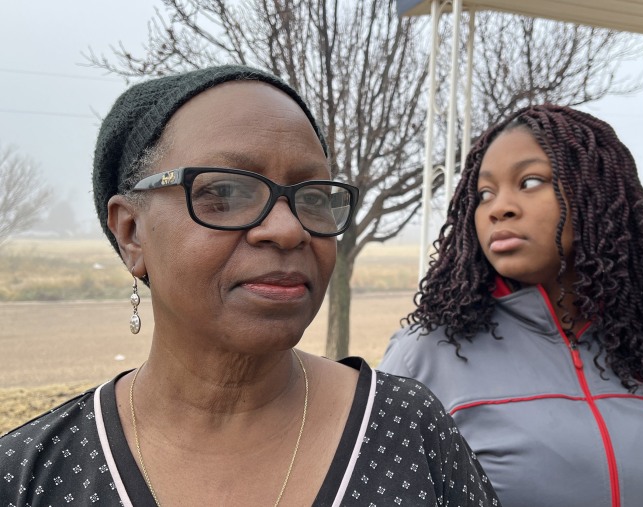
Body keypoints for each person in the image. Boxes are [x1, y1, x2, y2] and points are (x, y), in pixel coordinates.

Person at [0, 65, 500, 507]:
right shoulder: (31, 473)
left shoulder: (407, 429)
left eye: (313, 195)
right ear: (132, 233)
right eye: (225, 191)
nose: (288, 230)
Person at [379, 104, 643, 507]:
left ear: (595, 194)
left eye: (530, 181)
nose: (499, 208)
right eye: (484, 193)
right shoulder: (425, 356)